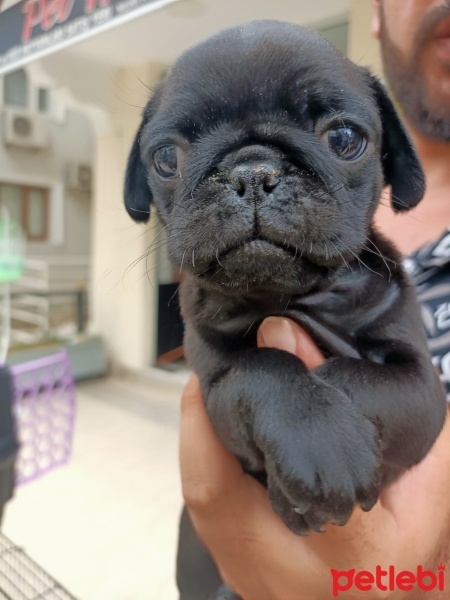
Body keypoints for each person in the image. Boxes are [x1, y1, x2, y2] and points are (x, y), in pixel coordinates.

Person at [178, 1, 450, 598]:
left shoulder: (384, 286)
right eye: (173, 159)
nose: (255, 182)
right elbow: (218, 395)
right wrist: (273, 402)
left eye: (340, 138)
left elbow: (418, 398)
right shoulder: (207, 302)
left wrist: (316, 418)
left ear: (388, 164)